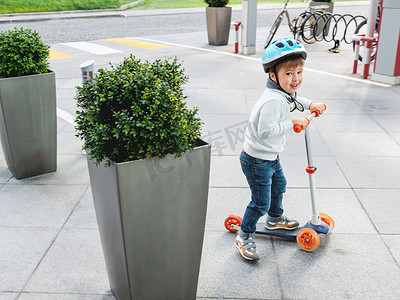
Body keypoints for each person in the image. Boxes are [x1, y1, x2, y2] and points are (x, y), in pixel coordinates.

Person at [235, 38, 326, 261]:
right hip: (256, 159)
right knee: (260, 202)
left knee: (280, 186)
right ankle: (244, 234)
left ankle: (274, 219)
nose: (295, 79)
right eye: (289, 74)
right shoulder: (273, 101)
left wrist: (310, 104)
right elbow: (266, 130)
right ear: (273, 75)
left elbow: (294, 100)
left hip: (269, 156)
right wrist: (292, 122)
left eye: (299, 72)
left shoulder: (283, 94)